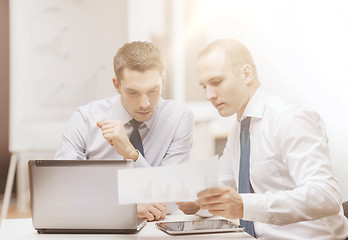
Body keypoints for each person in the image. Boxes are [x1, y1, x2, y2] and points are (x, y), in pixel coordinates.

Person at [177, 39, 348, 239]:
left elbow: (325, 196)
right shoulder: (239, 129)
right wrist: (197, 202)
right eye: (204, 86)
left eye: (216, 82)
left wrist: (243, 205)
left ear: (246, 74)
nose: (209, 95)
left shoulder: (289, 118)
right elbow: (222, 187)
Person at [54, 41, 194, 222]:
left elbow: (174, 198)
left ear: (163, 82)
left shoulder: (179, 118)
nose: (145, 103)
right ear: (117, 85)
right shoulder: (85, 119)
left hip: (158, 230)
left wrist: (131, 154)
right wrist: (125, 208)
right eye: (133, 93)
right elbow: (63, 190)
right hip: (100, 227)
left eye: (153, 91)